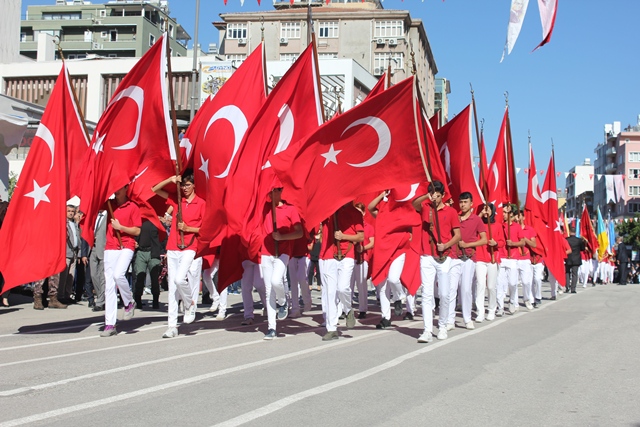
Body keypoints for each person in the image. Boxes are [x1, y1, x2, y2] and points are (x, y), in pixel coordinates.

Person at [152, 173, 205, 338]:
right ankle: (172, 326)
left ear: (194, 185)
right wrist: (170, 180)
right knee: (172, 289)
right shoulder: (177, 200)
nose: (185, 188)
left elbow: (205, 229)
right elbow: (154, 189)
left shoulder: (201, 203)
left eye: (188, 185)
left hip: (190, 246)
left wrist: (188, 229)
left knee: (180, 279)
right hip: (173, 247)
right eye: (183, 185)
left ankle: (190, 303)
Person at [412, 181, 461, 343]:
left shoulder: (451, 212)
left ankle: (442, 326)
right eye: (433, 195)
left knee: (444, 294)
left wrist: (446, 245)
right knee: (426, 294)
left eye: (438, 195)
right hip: (426, 255)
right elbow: (415, 204)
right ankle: (427, 330)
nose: (435, 198)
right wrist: (427, 195)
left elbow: (458, 235)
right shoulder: (426, 208)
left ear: (443, 196)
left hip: (445, 257)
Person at [260, 186, 303, 340]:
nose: (272, 193)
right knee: (268, 289)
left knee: (276, 280)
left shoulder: (290, 209)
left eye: (276, 190)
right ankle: (272, 328)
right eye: (270, 190)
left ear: (281, 192)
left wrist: (282, 238)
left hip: (283, 252)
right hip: (266, 252)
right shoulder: (263, 207)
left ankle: (283, 301)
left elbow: (299, 232)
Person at [319, 202, 364, 341]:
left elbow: (360, 237)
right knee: (330, 293)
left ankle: (348, 308)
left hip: (347, 254)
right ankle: (331, 328)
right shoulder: (328, 211)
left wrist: (344, 236)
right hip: (329, 255)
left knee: (343, 288)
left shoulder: (355, 213)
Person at [101, 185, 141, 337]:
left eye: (120, 187)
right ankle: (110, 323)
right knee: (109, 286)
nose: (117, 189)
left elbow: (137, 231)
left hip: (127, 245)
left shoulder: (133, 206)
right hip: (110, 246)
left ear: (126, 189)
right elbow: (95, 201)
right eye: (115, 186)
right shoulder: (109, 204)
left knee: (118, 275)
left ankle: (129, 302)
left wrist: (121, 227)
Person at [455, 192, 487, 329]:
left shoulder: (477, 220)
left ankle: (467, 318)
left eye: (465, 202)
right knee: (451, 289)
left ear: (471, 204)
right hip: (454, 257)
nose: (463, 205)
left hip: (469, 258)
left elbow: (484, 239)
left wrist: (467, 245)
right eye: (461, 202)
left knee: (466, 289)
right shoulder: (455, 218)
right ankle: (449, 319)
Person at [475, 203, 502, 321]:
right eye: (484, 209)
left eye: (488, 210)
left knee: (491, 286)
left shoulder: (497, 225)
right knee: (480, 285)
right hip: (479, 258)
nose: (486, 212)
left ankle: (491, 309)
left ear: (493, 211)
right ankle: (480, 311)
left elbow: (502, 242)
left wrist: (496, 243)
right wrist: (480, 215)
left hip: (492, 258)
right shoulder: (477, 224)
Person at [133, 219, 164, 309]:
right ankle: (138, 300)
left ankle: (155, 301)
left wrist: (163, 250)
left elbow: (163, 237)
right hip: (141, 252)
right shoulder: (138, 221)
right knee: (139, 276)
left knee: (154, 278)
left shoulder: (156, 222)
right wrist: (134, 242)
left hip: (153, 252)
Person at [59, 204, 80, 304]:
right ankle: (61, 295)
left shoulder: (75, 224)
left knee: (71, 276)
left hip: (74, 253)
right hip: (66, 252)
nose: (71, 213)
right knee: (64, 276)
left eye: (72, 211)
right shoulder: (64, 223)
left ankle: (67, 294)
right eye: (69, 211)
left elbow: (78, 237)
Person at [89, 210, 107, 312]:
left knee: (102, 276)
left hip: (104, 248)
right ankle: (103, 297)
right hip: (93, 248)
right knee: (93, 275)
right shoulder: (94, 215)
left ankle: (100, 302)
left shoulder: (108, 215)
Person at [565, 225, 585, 293]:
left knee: (567, 273)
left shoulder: (566, 239)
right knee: (574, 274)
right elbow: (582, 249)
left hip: (568, 258)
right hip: (576, 258)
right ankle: (573, 289)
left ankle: (567, 287)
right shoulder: (579, 240)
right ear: (575, 232)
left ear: (570, 232)